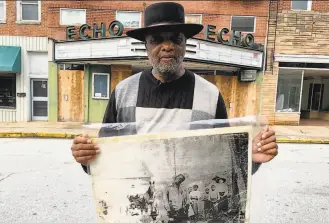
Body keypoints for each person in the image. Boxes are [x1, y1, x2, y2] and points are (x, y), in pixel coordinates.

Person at [70, 1, 278, 174]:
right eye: (157, 40)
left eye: (175, 39)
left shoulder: (209, 95)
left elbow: (222, 162)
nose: (167, 46)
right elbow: (106, 156)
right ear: (146, 46)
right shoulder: (124, 92)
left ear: (185, 43)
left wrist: (251, 159)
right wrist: (87, 158)